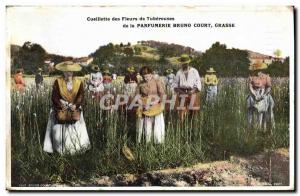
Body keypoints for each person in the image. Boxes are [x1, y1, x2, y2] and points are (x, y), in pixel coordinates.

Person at [43, 61, 90, 155]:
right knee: (58, 129)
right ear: (63, 71)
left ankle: (76, 149)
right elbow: (54, 96)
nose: (68, 73)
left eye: (70, 71)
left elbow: (81, 96)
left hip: (74, 108)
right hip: (61, 108)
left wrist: (75, 105)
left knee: (77, 127)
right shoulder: (58, 81)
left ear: (73, 72)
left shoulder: (78, 82)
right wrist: (61, 104)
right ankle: (60, 150)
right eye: (66, 71)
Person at [135, 66, 166, 144]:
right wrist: (142, 104)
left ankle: (158, 142)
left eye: (147, 76)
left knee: (157, 125)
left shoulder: (157, 82)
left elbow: (162, 94)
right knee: (147, 124)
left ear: (151, 74)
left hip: (156, 105)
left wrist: (154, 103)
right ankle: (147, 142)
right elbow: (137, 96)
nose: (146, 78)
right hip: (145, 106)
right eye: (144, 77)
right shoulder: (140, 84)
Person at [247, 62, 275, 129]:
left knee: (267, 111)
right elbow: (250, 87)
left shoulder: (266, 77)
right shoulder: (251, 76)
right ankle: (250, 127)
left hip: (264, 94)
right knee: (250, 110)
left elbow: (268, 87)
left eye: (259, 68)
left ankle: (268, 128)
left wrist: (264, 94)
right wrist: (254, 94)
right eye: (256, 68)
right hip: (253, 94)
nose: (257, 70)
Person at [173, 54, 202, 120]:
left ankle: (192, 126)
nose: (184, 65)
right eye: (183, 63)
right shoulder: (179, 72)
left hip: (192, 92)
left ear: (188, 62)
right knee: (182, 112)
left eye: (186, 63)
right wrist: (181, 92)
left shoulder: (194, 71)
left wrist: (192, 91)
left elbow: (198, 84)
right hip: (182, 92)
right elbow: (175, 85)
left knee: (194, 111)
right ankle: (182, 127)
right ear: (181, 63)